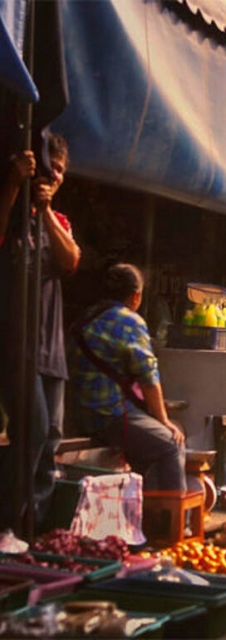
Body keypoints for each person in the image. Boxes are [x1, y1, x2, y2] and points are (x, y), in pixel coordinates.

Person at [0, 134, 80, 530]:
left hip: (52, 350)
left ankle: (35, 528)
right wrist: (15, 184)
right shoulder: (13, 214)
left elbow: (70, 261)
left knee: (50, 438)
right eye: (50, 170)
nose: (54, 177)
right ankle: (8, 524)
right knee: (30, 431)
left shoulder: (58, 220)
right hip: (16, 345)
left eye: (60, 172)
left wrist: (47, 210)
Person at [71, 263, 185, 492]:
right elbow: (148, 378)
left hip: (81, 414)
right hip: (110, 416)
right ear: (135, 296)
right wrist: (164, 420)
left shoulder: (87, 318)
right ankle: (173, 523)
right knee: (172, 443)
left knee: (154, 444)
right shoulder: (130, 322)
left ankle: (145, 512)